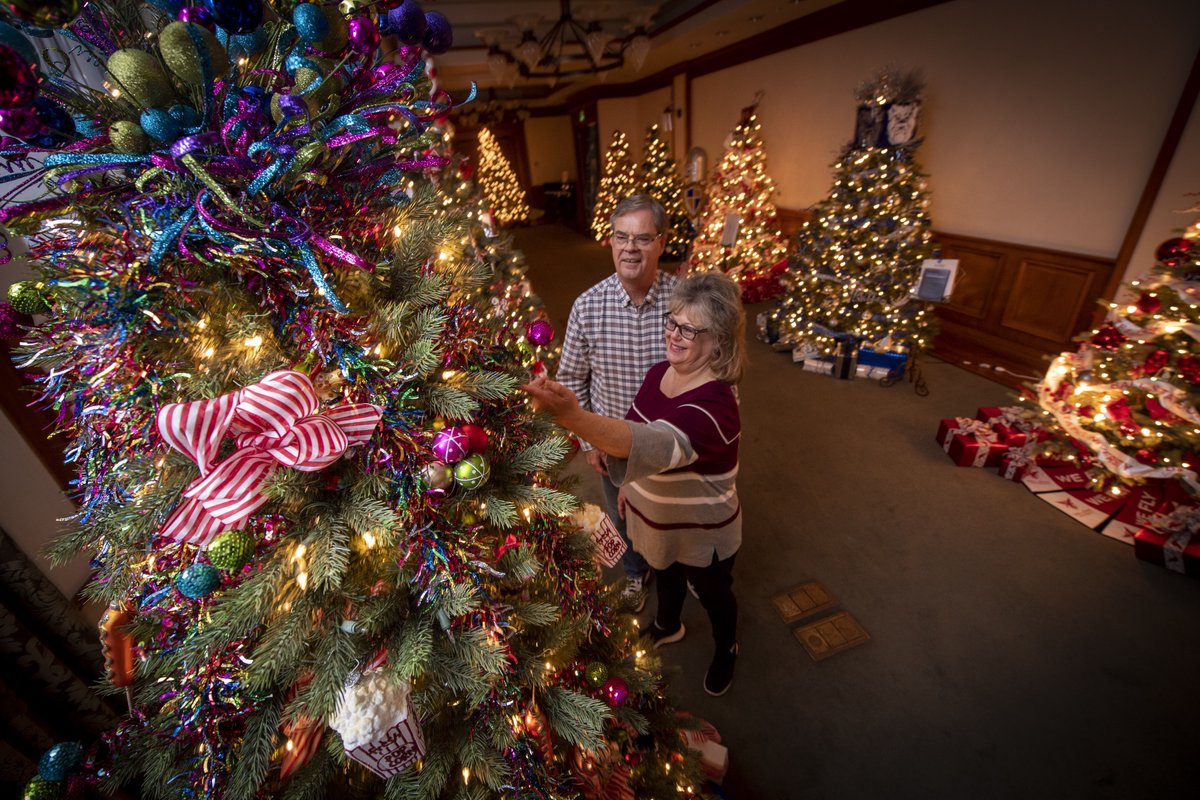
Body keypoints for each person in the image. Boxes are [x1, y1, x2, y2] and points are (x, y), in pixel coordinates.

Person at [525, 272, 747, 697]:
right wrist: (629, 485)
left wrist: (570, 416)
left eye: (689, 329)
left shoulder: (716, 405)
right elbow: (635, 432)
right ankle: (668, 623)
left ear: (717, 341)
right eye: (672, 321)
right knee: (662, 568)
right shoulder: (659, 372)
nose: (674, 335)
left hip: (701, 528)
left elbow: (645, 442)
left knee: (713, 592)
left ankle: (726, 645)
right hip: (654, 516)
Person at [557, 194, 678, 611]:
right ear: (609, 242)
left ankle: (678, 573)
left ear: (661, 243)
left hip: (673, 443)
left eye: (643, 238)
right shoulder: (587, 307)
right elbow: (572, 380)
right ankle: (634, 573)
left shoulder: (684, 302)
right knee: (624, 518)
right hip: (615, 446)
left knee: (675, 514)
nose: (630, 248)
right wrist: (591, 444)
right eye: (621, 237)